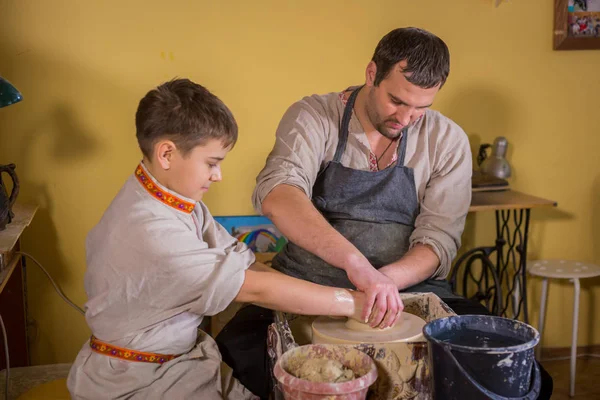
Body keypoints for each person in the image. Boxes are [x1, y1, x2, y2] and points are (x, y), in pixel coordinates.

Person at [216, 27, 553, 399]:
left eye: (421, 108)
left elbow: (438, 241)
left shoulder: (447, 140)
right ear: (372, 74)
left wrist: (382, 282)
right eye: (397, 101)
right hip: (306, 283)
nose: (406, 118)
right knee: (234, 356)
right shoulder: (313, 116)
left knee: (519, 378)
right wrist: (355, 265)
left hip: (407, 289)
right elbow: (279, 194)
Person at [66, 78, 369, 400]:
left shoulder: (171, 200)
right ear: (167, 153)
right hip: (137, 380)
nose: (218, 175)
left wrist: (335, 297)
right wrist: (351, 303)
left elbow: (244, 266)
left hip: (182, 362)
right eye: (211, 163)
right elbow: (253, 288)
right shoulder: (151, 231)